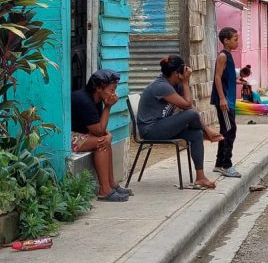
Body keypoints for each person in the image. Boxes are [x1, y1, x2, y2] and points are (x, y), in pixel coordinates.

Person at [137, 55, 223, 189]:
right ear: (177, 74)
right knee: (192, 114)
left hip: (164, 126)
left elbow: (191, 107)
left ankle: (200, 178)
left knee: (196, 135)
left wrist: (205, 129)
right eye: (183, 71)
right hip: (151, 130)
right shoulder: (161, 86)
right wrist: (185, 82)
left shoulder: (175, 84)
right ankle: (206, 134)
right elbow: (188, 106)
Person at [71, 69, 132, 202]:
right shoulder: (84, 100)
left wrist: (108, 135)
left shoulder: (96, 99)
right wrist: (108, 107)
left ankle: (111, 185)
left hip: (80, 134)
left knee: (105, 140)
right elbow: (98, 130)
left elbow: (99, 126)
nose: (113, 94)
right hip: (65, 138)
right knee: (102, 142)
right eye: (111, 90)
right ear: (98, 88)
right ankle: (104, 190)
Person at [211, 27, 242, 178]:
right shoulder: (222, 56)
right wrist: (222, 98)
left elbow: (226, 77)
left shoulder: (229, 56)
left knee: (226, 130)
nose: (237, 42)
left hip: (229, 100)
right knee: (230, 130)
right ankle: (226, 164)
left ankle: (219, 163)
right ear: (226, 41)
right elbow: (217, 77)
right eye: (235, 39)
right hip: (224, 101)